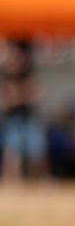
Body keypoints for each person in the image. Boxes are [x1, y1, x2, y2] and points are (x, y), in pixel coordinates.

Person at [2, 41, 46, 181]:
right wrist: (24, 94)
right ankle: (14, 184)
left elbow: (35, 95)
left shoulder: (30, 73)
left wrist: (19, 95)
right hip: (14, 119)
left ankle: (34, 184)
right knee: (13, 154)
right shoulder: (7, 75)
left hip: (29, 118)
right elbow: (8, 100)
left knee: (36, 154)